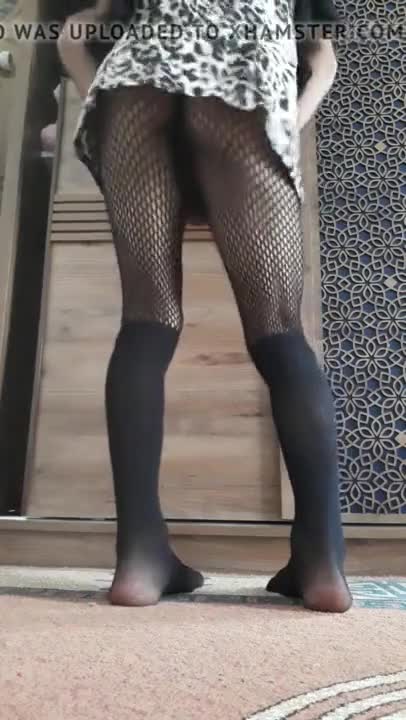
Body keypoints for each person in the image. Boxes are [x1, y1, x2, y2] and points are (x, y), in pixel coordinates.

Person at [58, 0, 352, 613]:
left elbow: (73, 35)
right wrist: (285, 121)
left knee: (146, 320)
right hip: (245, 76)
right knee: (278, 331)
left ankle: (140, 557)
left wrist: (100, 103)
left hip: (134, 84)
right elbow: (321, 57)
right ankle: (321, 559)